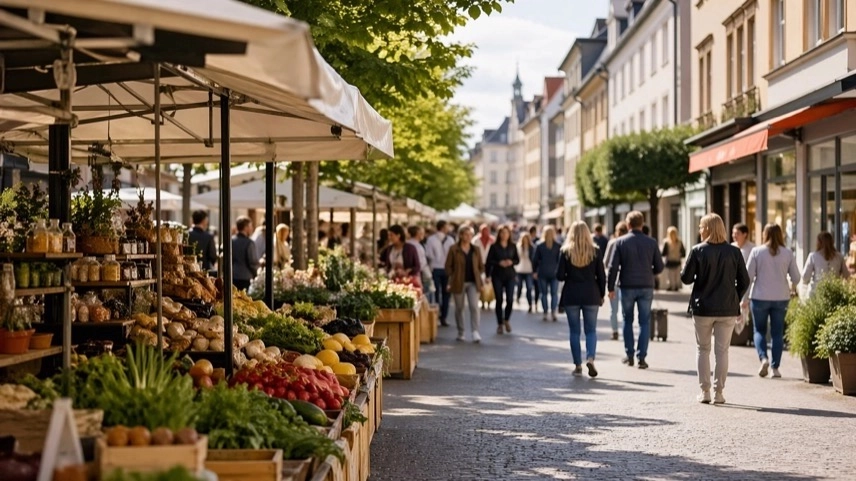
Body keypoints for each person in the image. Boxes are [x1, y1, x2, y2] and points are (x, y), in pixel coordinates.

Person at [681, 213, 750, 404]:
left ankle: (705, 392)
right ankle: (719, 393)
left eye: (701, 227)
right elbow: (745, 280)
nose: (699, 230)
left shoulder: (698, 251)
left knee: (703, 349)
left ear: (708, 229)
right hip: (727, 308)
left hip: (702, 307)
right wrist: (734, 295)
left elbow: (686, 278)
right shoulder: (734, 252)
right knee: (722, 351)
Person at [608, 211, 664, 369]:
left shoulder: (620, 242)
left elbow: (613, 267)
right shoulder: (651, 242)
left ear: (628, 224)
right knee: (644, 322)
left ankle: (630, 355)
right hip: (646, 286)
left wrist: (610, 287)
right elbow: (659, 266)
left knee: (627, 320)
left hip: (627, 286)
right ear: (642, 224)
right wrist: (648, 271)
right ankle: (642, 357)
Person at [746, 223, 800, 379]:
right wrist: (791, 284)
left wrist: (743, 298)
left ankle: (763, 358)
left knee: (759, 331)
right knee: (777, 333)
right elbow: (796, 277)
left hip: (759, 297)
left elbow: (748, 277)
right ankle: (775, 368)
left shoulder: (757, 252)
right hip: (781, 297)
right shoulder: (788, 253)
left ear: (765, 234)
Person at [558, 221, 605, 378]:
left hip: (571, 294)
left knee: (574, 332)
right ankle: (590, 358)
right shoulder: (595, 251)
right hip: (591, 294)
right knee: (591, 330)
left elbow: (559, 275)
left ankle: (578, 365)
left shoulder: (565, 252)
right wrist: (602, 294)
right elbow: (601, 276)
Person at [445, 225, 484, 343]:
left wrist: (479, 276)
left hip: (473, 282)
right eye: (466, 234)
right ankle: (461, 332)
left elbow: (481, 266)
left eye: (470, 234)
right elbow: (448, 267)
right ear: (461, 235)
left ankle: (475, 331)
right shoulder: (453, 249)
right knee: (459, 308)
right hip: (458, 282)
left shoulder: (475, 249)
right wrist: (452, 277)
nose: (468, 237)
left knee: (474, 306)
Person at [486, 225, 520, 335]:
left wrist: (511, 262)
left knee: (510, 299)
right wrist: (497, 263)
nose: (504, 235)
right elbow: (489, 261)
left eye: (506, 233)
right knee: (499, 299)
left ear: (509, 234)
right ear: (499, 234)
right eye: (502, 233)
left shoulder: (513, 246)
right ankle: (499, 323)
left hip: (510, 275)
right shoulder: (494, 246)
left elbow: (517, 260)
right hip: (497, 275)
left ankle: (507, 319)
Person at [426, 220, 456, 326]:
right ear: (443, 227)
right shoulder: (451, 240)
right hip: (447, 269)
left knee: (436, 293)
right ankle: (444, 317)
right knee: (446, 293)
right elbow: (454, 255)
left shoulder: (431, 239)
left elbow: (428, 255)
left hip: (435, 268)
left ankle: (437, 316)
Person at [802, 231, 850, 296]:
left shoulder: (813, 256)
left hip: (816, 292)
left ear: (819, 243)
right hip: (834, 292)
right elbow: (846, 275)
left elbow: (805, 277)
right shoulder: (839, 257)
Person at [603, 221, 629, 340]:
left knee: (614, 309)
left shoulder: (612, 242)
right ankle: (625, 330)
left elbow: (606, 262)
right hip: (626, 280)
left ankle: (614, 331)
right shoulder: (629, 243)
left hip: (613, 280)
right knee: (625, 309)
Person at [533, 226, 562, 321]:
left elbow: (535, 260)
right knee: (554, 294)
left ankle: (545, 312)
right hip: (554, 272)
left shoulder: (539, 245)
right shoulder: (558, 246)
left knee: (543, 293)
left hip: (542, 272)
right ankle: (553, 311)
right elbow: (560, 261)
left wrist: (534, 271)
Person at [407, 225, 435, 302]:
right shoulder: (416, 246)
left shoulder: (412, 244)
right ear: (418, 233)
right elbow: (420, 262)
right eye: (422, 232)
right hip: (420, 273)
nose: (423, 234)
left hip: (418, 272)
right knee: (425, 294)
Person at [232, 216, 259, 291]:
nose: (252, 228)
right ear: (246, 227)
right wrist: (255, 274)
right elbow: (252, 262)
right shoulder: (249, 243)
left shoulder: (231, 241)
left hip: (232, 276)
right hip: (245, 277)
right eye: (251, 226)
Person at [515, 233, 536, 313]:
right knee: (519, 286)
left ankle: (530, 304)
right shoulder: (518, 247)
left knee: (529, 288)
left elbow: (534, 259)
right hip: (520, 270)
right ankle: (518, 297)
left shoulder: (532, 248)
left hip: (529, 270)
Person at [661, 226, 686, 291]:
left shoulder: (679, 242)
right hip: (670, 261)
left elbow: (683, 252)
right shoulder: (666, 242)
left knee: (675, 275)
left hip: (676, 261)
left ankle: (674, 286)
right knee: (670, 275)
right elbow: (664, 252)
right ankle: (672, 286)